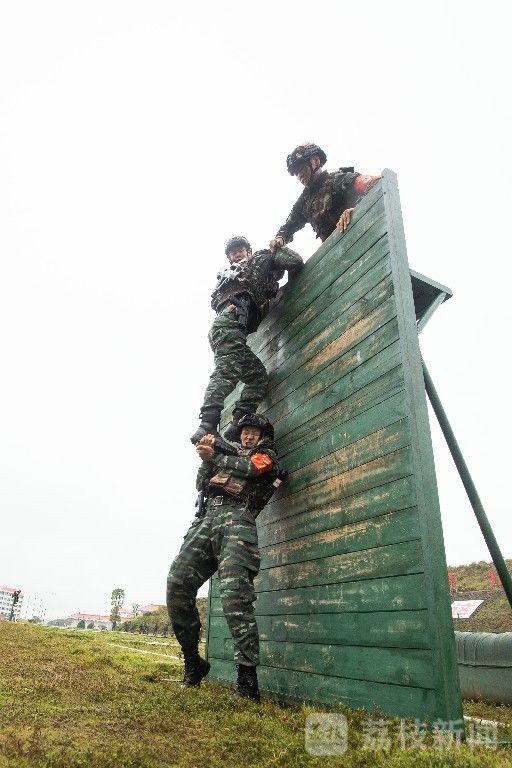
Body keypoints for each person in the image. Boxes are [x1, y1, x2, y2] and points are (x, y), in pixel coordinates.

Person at [167, 413, 280, 701]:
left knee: (235, 597)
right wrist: (206, 459)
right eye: (245, 431)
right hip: (208, 519)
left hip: (237, 520)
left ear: (263, 437)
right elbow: (201, 484)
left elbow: (252, 469)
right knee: (177, 583)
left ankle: (246, 681)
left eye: (254, 432)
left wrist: (215, 457)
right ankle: (193, 663)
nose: (248, 436)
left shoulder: (266, 456)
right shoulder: (229, 453)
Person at [190, 236, 303, 444]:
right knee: (227, 371)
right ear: (229, 258)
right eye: (233, 253)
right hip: (229, 325)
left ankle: (237, 424)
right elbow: (294, 262)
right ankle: (207, 425)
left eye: (240, 250)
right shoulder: (231, 277)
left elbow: (295, 262)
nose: (237, 254)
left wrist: (277, 248)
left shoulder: (260, 260)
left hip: (231, 329)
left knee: (257, 378)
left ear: (248, 251)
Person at [269, 143, 380, 250]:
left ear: (316, 160)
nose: (299, 175)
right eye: (296, 173)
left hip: (363, 239)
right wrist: (279, 239)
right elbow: (289, 226)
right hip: (336, 252)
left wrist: (356, 210)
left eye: (302, 168)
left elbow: (376, 182)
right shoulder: (304, 203)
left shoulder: (338, 180)